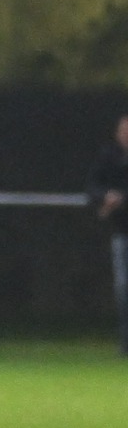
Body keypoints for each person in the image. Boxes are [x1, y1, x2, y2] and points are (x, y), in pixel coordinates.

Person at [88, 115, 128, 355]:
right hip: (122, 234)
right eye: (124, 132)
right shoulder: (109, 157)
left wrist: (119, 200)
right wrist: (104, 197)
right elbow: (92, 186)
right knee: (123, 289)